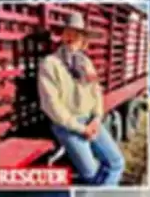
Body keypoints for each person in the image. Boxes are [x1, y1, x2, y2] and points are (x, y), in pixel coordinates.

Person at [37, 12, 125, 186]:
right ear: (62, 35)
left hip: (90, 121)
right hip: (68, 125)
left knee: (117, 162)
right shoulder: (50, 63)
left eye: (77, 34)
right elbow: (51, 104)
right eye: (68, 32)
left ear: (83, 39)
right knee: (91, 174)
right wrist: (80, 128)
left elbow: (96, 91)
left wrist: (97, 118)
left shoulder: (86, 62)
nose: (72, 38)